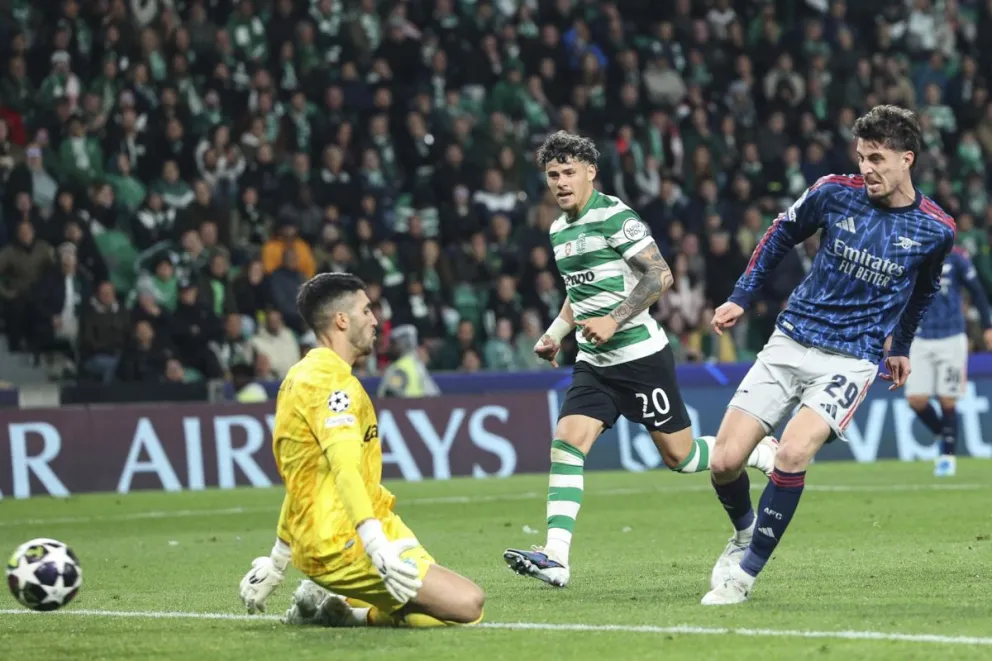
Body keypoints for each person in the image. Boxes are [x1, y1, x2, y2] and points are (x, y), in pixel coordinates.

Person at [701, 105, 956, 606]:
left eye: (878, 158)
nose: (867, 168)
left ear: (908, 159)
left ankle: (744, 577)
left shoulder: (936, 229)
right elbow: (779, 235)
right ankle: (745, 532)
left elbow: (924, 291)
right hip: (790, 339)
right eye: (862, 157)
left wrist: (899, 346)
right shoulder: (832, 193)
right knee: (724, 461)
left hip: (852, 358)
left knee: (794, 453)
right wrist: (740, 295)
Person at [503, 131, 778, 588]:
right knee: (567, 443)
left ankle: (755, 448)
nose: (561, 182)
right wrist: (555, 334)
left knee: (681, 457)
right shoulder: (558, 230)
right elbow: (577, 294)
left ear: (590, 172)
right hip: (594, 363)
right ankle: (555, 555)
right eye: (553, 175)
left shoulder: (614, 217)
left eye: (569, 172)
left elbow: (659, 275)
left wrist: (613, 319)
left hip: (640, 358)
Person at [238, 273, 484, 628]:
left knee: (445, 608)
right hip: (341, 542)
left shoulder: (302, 375)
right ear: (341, 320)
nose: (375, 320)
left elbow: (304, 477)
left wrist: (277, 561)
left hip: (375, 521)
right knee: (466, 607)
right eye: (366, 310)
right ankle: (345, 614)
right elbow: (344, 470)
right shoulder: (332, 384)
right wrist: (375, 545)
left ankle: (330, 604)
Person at [904, 246, 992, 477]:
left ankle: (947, 458)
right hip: (920, 338)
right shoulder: (912, 256)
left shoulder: (957, 258)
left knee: (947, 398)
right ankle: (945, 433)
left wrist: (987, 326)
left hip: (951, 337)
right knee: (916, 400)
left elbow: (977, 291)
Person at [377, 324, 440, 398]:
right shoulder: (418, 365)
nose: (390, 347)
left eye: (393, 344)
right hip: (416, 407)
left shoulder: (400, 368)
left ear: (401, 345)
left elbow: (391, 397)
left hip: (404, 408)